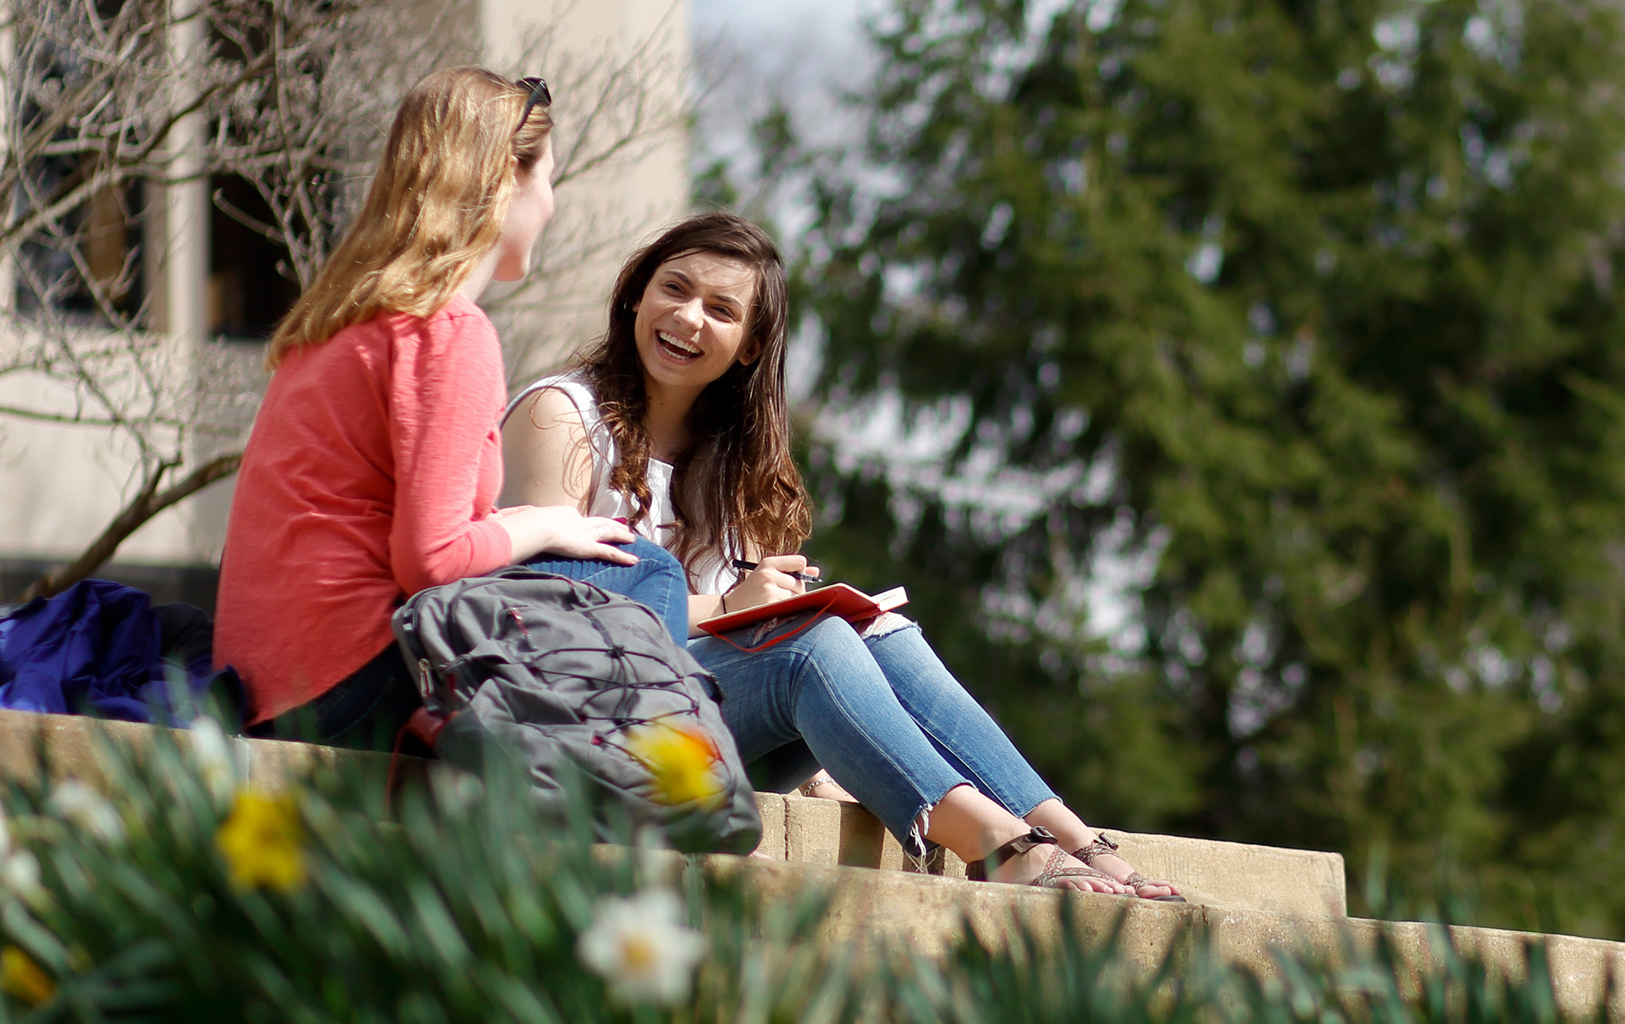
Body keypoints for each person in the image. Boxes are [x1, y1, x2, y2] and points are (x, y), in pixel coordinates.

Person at [498, 213, 1184, 901]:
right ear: (635, 296)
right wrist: (729, 608)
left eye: (721, 309)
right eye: (673, 289)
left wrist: (828, 744)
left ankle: (1075, 840)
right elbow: (560, 624)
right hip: (593, 729)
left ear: (749, 345)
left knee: (878, 631)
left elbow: (739, 649)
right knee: (809, 646)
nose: (689, 317)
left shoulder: (734, 464)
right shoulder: (561, 416)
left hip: (707, 738)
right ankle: (998, 844)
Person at [213, 68, 640, 748]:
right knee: (643, 570)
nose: (553, 204)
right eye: (549, 177)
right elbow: (431, 562)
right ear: (506, 177)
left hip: (265, 687)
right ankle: (651, 819)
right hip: (347, 680)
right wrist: (544, 524)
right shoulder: (447, 331)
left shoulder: (334, 325)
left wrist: (521, 521)